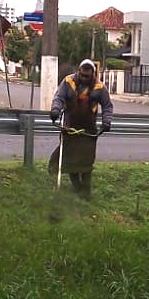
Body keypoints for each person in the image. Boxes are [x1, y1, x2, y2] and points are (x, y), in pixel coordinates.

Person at [49, 59, 113, 198]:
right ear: (78, 72)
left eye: (87, 76)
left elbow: (107, 106)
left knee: (85, 162)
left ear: (93, 75)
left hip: (88, 130)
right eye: (82, 75)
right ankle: (76, 188)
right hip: (70, 127)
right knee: (71, 159)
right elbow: (59, 98)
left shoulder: (99, 87)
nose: (84, 78)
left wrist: (106, 122)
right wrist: (55, 110)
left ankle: (85, 192)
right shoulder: (68, 82)